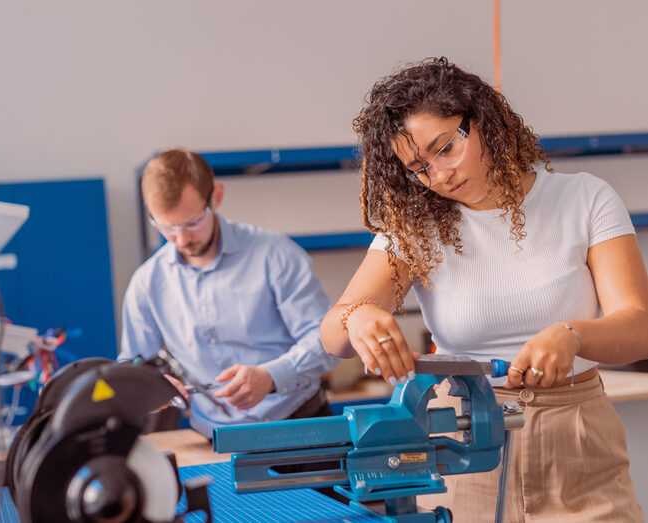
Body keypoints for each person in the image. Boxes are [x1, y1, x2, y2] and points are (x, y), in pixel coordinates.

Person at [320, 57, 647, 520]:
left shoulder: (584, 199)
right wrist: (358, 317)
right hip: (463, 446)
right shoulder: (414, 228)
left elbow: (638, 325)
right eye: (419, 167)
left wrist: (574, 335)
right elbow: (333, 335)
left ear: (482, 119)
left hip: (577, 444)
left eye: (446, 147)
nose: (440, 175)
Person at [120, 148, 339, 439]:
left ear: (216, 197)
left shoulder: (274, 255)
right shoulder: (147, 283)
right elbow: (132, 367)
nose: (182, 239)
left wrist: (272, 376)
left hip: (298, 428)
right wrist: (150, 388)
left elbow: (328, 342)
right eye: (167, 227)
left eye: (193, 222)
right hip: (215, 442)